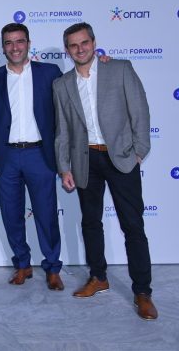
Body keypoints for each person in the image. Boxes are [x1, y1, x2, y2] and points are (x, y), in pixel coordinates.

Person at [53, 22, 157, 320]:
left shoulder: (120, 69)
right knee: (90, 222)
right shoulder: (62, 84)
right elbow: (62, 130)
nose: (80, 49)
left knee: (132, 226)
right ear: (67, 50)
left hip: (121, 158)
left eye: (84, 43)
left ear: (94, 43)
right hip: (86, 161)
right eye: (73, 45)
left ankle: (142, 292)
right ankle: (98, 277)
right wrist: (64, 167)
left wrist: (139, 151)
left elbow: (140, 111)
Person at [0, 23, 64, 290]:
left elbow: (67, 107)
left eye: (19, 41)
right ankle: (22, 264)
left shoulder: (49, 73)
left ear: (28, 43)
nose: (14, 47)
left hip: (40, 155)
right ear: (3, 47)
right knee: (11, 215)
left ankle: (52, 267)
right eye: (9, 42)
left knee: (46, 214)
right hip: (6, 157)